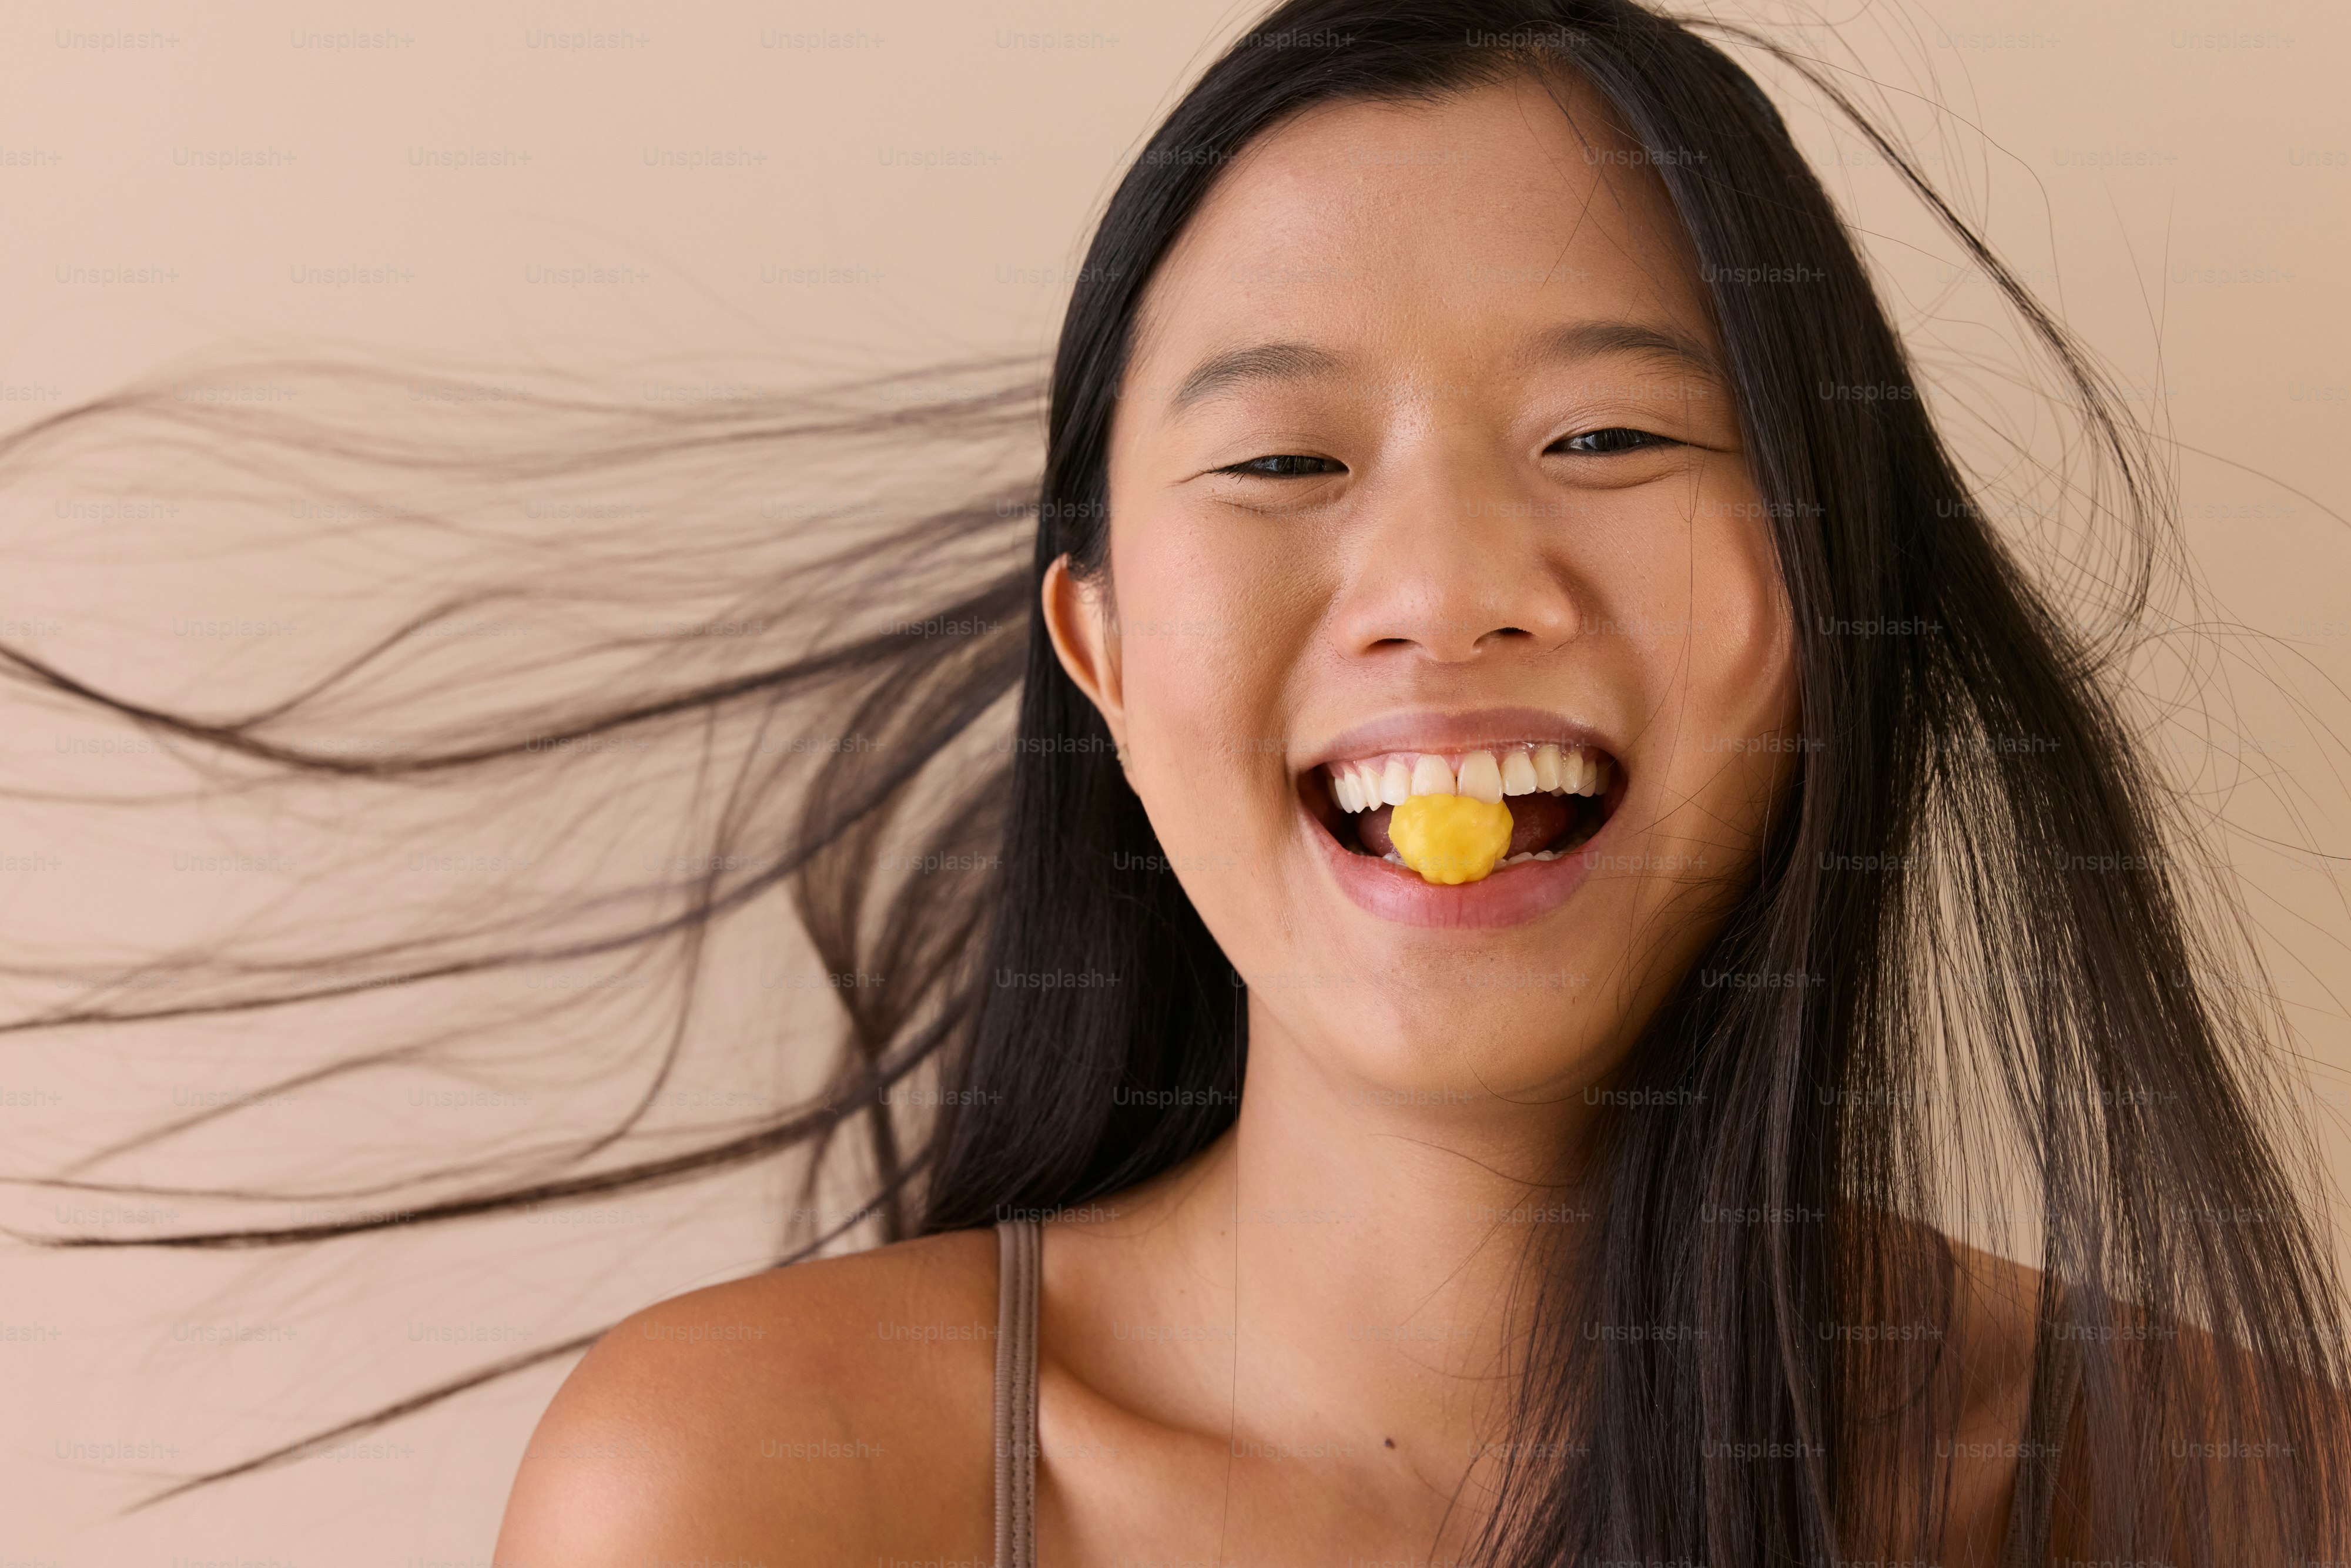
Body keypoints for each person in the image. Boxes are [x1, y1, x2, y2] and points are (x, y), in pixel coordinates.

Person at [464, 2, 2346, 1564]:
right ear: (1100, 647)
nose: (1445, 592)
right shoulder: (754, 1489)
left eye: (1606, 435)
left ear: (1833, 581)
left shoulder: (2250, 1495)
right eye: (1283, 460)